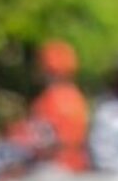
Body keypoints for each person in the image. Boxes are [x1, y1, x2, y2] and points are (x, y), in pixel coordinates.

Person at [25, 39, 90, 172]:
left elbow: (47, 144)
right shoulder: (76, 96)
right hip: (75, 168)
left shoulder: (53, 100)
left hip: (55, 168)